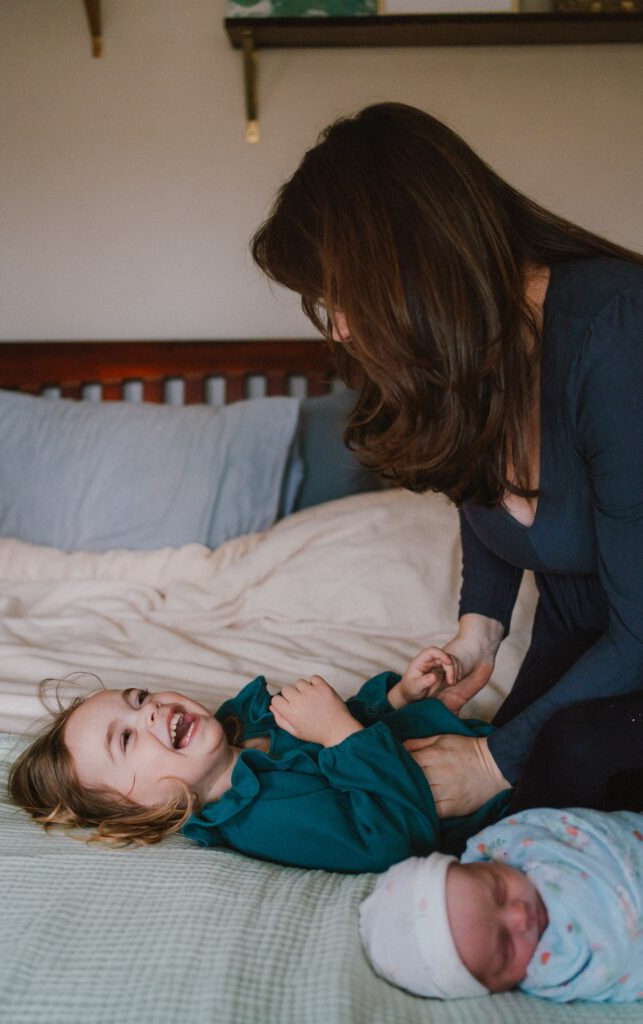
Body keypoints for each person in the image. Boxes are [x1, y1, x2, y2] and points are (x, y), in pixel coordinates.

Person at [251, 101, 643, 818]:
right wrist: (479, 628)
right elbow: (482, 492)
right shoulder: (460, 355)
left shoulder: (612, 335)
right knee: (480, 814)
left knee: (551, 767)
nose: (337, 328)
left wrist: (493, 760)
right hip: (588, 630)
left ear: (408, 257)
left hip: (635, 634)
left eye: (341, 295)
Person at [7, 666, 510, 871]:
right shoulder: (260, 817)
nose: (151, 711)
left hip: (486, 741)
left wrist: (396, 698)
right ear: (134, 813)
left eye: (137, 699)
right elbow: (391, 839)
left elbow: (340, 733)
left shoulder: (245, 725)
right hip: (501, 799)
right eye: (126, 737)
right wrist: (339, 733)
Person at [359, 806, 643, 1003]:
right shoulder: (560, 968)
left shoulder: (509, 843)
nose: (520, 915)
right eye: (506, 946)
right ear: (494, 987)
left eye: (499, 890)